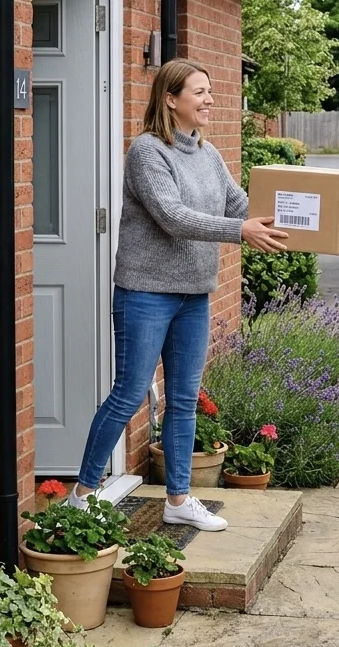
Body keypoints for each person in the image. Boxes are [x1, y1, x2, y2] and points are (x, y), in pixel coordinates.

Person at [68, 59, 288, 531]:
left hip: (194, 294)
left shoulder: (208, 154)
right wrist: (240, 231)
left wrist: (300, 208)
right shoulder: (147, 152)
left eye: (210, 91)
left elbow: (240, 205)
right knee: (128, 395)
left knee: (184, 399)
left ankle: (179, 499)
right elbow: (172, 216)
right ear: (171, 99)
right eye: (200, 92)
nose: (210, 99)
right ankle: (83, 492)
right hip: (146, 292)